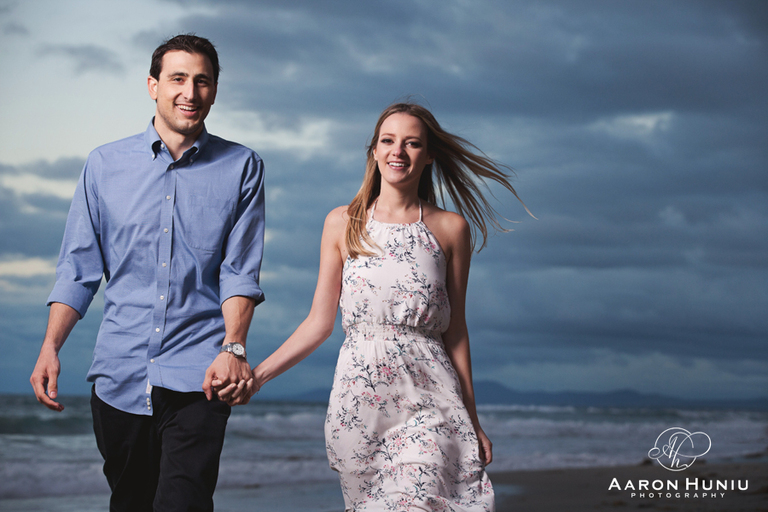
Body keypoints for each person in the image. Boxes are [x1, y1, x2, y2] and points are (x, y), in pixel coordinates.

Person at [217, 102, 533, 510]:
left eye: (412, 143)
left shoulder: (451, 229)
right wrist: (257, 378)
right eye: (388, 141)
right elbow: (318, 323)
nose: (398, 151)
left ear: (429, 154)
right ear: (374, 151)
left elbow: (455, 331)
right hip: (359, 407)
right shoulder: (342, 223)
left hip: (431, 400)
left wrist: (472, 420)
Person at [29, 34, 265, 512]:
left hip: (202, 374)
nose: (190, 93)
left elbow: (239, 271)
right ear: (153, 86)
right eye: (178, 79)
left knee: (184, 503)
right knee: (130, 503)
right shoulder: (103, 165)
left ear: (215, 90)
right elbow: (78, 269)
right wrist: (50, 346)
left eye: (203, 81)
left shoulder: (242, 166)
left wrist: (234, 347)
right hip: (119, 375)